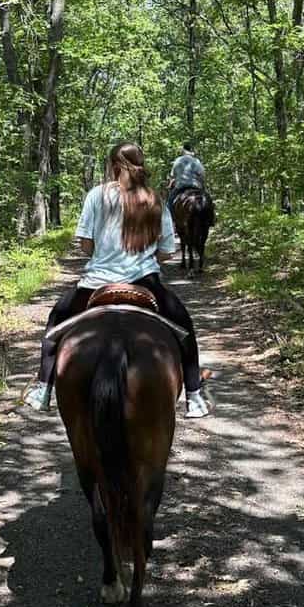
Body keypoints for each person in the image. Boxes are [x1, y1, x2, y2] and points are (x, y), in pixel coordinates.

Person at [23, 141, 211, 419]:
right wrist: (145, 259)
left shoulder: (96, 195)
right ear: (141, 165)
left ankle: (43, 389)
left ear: (113, 166)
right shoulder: (154, 199)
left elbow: (85, 245)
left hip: (96, 284)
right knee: (185, 326)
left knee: (55, 323)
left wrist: (103, 254)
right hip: (145, 282)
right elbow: (167, 252)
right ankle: (194, 396)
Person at [167, 141, 205, 214]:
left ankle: (169, 219)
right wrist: (202, 185)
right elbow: (202, 175)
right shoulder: (196, 161)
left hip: (181, 187)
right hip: (195, 186)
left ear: (183, 150)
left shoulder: (178, 160)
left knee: (169, 203)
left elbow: (173, 175)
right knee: (208, 200)